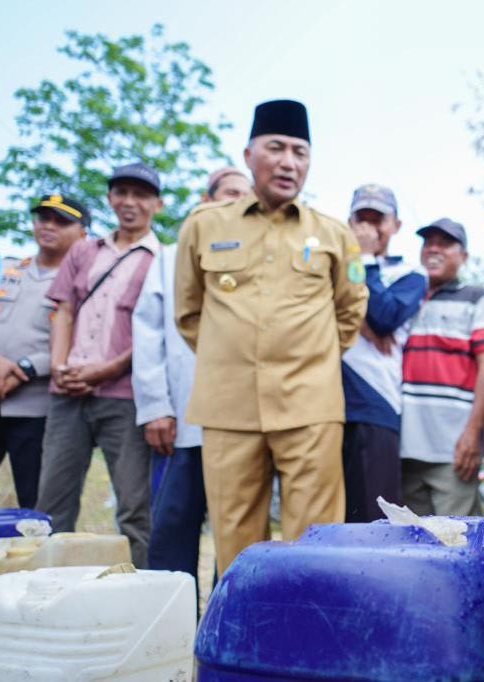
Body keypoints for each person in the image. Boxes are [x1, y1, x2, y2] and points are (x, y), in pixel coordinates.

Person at [175, 99, 368, 574]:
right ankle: (245, 644)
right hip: (228, 406)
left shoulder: (335, 235)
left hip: (311, 406)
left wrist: (309, 359)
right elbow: (188, 312)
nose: (289, 162)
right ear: (248, 154)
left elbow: (351, 310)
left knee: (316, 539)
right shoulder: (203, 226)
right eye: (276, 148)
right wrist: (235, 356)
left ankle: (311, 643)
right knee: (235, 540)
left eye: (300, 151)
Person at [36, 164, 163, 568]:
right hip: (66, 394)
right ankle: (46, 597)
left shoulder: (162, 260)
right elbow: (65, 310)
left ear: (157, 204)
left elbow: (152, 332)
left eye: (141, 195)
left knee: (133, 508)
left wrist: (105, 370)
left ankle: (139, 593)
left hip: (123, 398)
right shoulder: (83, 251)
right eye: (122, 192)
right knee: (51, 505)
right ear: (109, 198)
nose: (130, 202)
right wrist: (59, 365)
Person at [132, 168, 252, 585]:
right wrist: (154, 408)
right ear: (205, 199)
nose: (236, 204)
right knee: (171, 530)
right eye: (228, 195)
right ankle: (170, 634)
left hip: (243, 426)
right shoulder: (169, 255)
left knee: (238, 536)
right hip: (182, 422)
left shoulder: (259, 258)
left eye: (244, 197)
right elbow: (148, 335)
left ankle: (225, 634)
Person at [0, 195, 87, 507]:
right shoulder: (4, 270)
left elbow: (78, 338)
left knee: (37, 502)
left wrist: (26, 369)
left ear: (83, 233)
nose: (49, 226)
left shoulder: (83, 283)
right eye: (43, 218)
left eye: (61, 221)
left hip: (37, 408)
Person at [400, 218, 484, 516]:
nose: (434, 249)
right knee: (411, 542)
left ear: (464, 256)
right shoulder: (407, 298)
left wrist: (474, 432)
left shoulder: (477, 298)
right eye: (428, 242)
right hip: (405, 447)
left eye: (445, 243)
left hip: (453, 449)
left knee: (455, 541)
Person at [341, 184, 427, 521]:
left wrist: (363, 259)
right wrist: (358, 320)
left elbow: (384, 316)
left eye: (377, 220)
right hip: (324, 402)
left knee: (372, 519)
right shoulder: (332, 264)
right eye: (361, 219)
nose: (368, 228)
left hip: (373, 401)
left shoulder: (409, 275)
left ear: (395, 225)